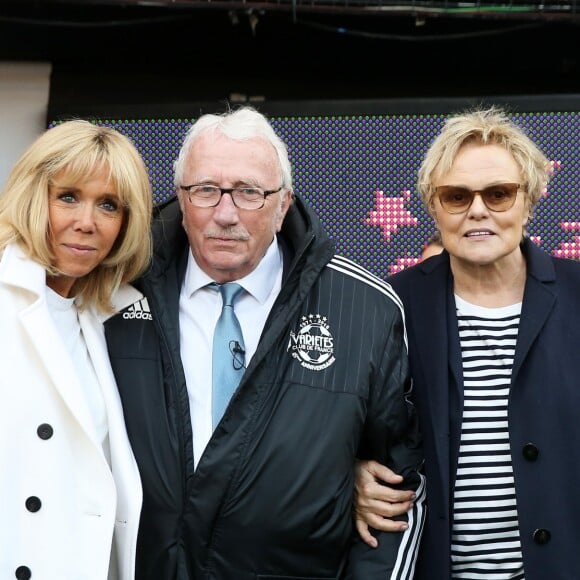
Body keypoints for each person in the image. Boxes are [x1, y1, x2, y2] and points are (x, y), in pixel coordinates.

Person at [104, 106, 426, 579]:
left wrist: (338, 474)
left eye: (250, 192)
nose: (226, 214)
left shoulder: (365, 309)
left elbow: (398, 490)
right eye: (206, 190)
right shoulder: (112, 290)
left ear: (283, 204)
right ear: (180, 197)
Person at [354, 107, 580, 579]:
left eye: (498, 194)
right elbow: (333, 418)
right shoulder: (389, 304)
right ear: (434, 208)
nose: (478, 210)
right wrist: (350, 474)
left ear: (530, 199)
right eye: (457, 196)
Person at [0, 120, 153, 580]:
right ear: (34, 197)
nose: (86, 222)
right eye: (68, 197)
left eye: (108, 205)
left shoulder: (115, 316)